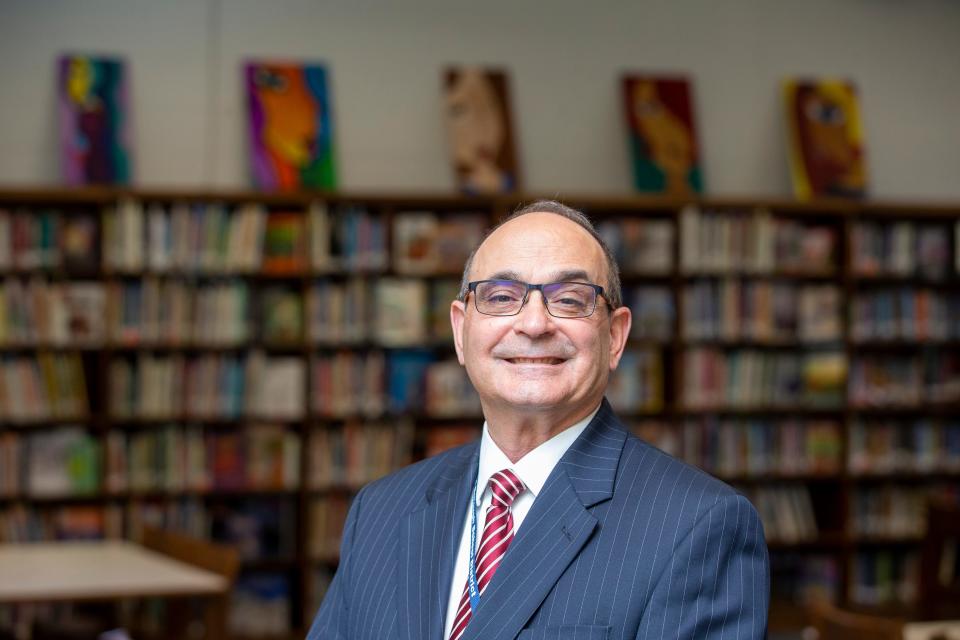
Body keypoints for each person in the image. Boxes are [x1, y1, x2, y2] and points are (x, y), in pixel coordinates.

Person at [307, 200, 770, 640]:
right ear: (460, 331)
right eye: (502, 296)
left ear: (615, 336)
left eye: (569, 300)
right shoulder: (381, 511)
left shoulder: (699, 525)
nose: (533, 324)